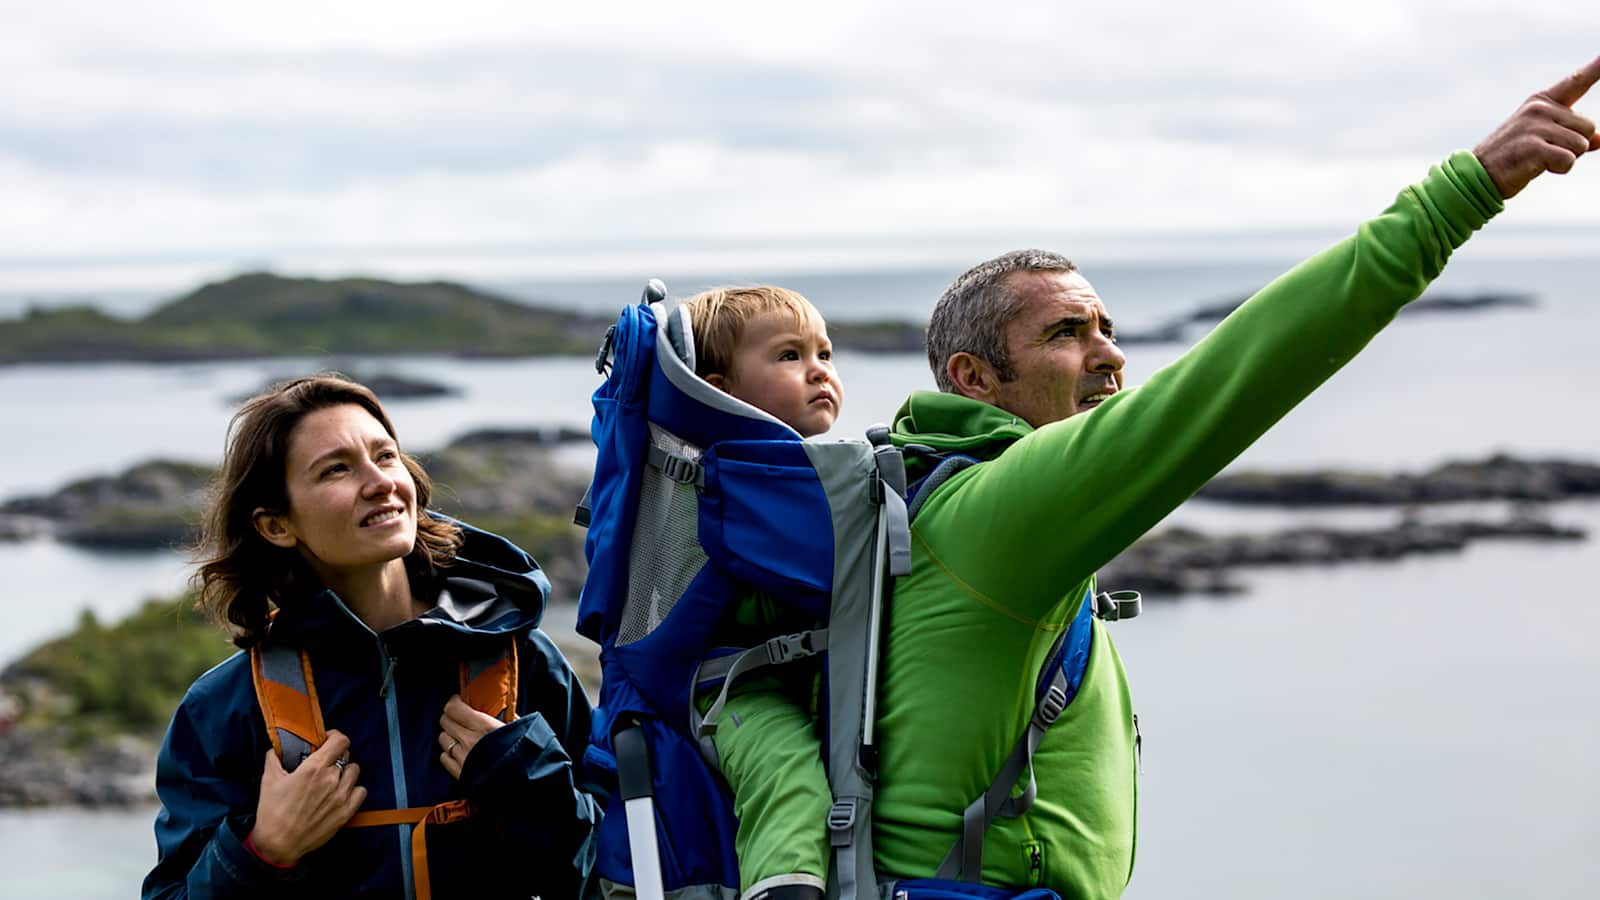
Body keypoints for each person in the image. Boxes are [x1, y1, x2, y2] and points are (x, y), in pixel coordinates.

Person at [866, 57, 1600, 896]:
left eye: (1106, 326)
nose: (1110, 353)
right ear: (973, 378)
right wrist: (1460, 196)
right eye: (1067, 333)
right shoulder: (999, 510)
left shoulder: (940, 498)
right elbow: (1235, 377)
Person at [142, 374, 602, 899]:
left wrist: (533, 791)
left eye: (385, 456)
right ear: (276, 525)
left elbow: (623, 875)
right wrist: (263, 851)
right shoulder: (225, 709)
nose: (381, 481)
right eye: (336, 468)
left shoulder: (524, 664)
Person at [680, 285, 842, 900]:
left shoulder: (786, 472)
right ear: (720, 389)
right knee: (790, 780)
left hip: (789, 676)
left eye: (824, 353)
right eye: (789, 356)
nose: (819, 369)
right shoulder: (725, 482)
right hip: (732, 690)